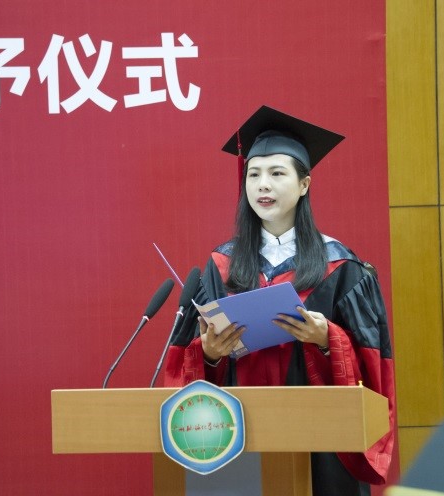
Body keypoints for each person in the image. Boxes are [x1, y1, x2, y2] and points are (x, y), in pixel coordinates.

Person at [160, 106, 397, 494]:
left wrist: (327, 339)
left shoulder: (342, 266)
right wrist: (211, 354)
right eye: (253, 174)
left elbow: (373, 370)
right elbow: (189, 363)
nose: (262, 185)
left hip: (320, 440)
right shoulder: (221, 265)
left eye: (277, 173)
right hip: (240, 432)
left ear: (304, 184)